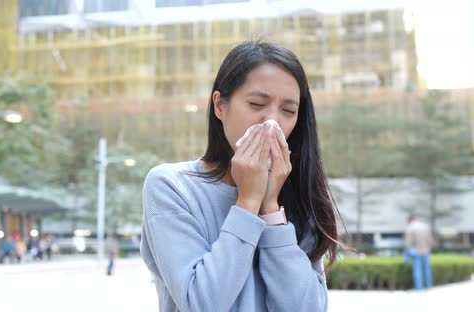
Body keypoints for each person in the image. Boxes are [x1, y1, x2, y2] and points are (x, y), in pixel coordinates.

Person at [140, 40, 340, 312]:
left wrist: (271, 208)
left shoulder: (296, 192)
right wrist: (248, 200)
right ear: (220, 106)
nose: (272, 122)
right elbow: (202, 304)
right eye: (257, 103)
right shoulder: (171, 186)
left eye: (288, 111)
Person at [404, 215, 434, 290]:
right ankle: (428, 286)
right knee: (427, 270)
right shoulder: (425, 226)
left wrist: (407, 252)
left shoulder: (410, 228)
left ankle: (419, 288)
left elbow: (408, 243)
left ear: (409, 220)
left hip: (416, 252)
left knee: (417, 271)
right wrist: (429, 248)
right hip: (426, 251)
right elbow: (430, 240)